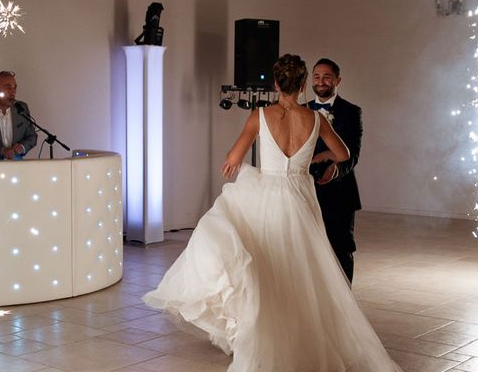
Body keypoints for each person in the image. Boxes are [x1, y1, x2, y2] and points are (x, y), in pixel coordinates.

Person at [143, 55, 401, 371]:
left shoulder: (259, 116)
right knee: (301, 270)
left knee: (267, 265)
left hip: (265, 198)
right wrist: (317, 155)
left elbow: (233, 157)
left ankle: (263, 335)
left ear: (276, 84)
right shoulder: (316, 120)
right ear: (304, 84)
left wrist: (233, 160)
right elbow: (344, 153)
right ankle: (300, 338)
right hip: (300, 199)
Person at [308, 58, 362, 283]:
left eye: (327, 76)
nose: (321, 81)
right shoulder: (302, 111)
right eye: (317, 76)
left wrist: (336, 169)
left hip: (340, 192)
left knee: (341, 249)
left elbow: (353, 153)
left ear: (338, 80)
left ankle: (345, 303)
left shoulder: (351, 111)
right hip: (305, 189)